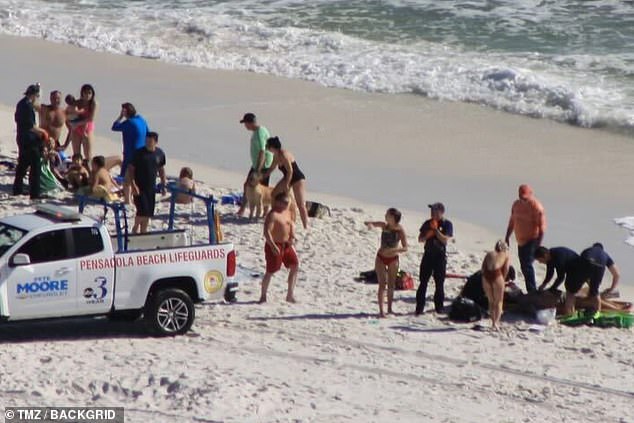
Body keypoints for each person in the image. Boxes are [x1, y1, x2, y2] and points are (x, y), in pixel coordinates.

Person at [365, 208, 408, 318]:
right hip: (381, 258)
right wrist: (370, 225)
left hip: (393, 258)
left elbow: (405, 247)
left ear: (393, 218)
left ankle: (389, 308)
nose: (385, 216)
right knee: (382, 284)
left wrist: (394, 250)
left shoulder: (400, 230)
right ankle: (381, 311)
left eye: (387, 215)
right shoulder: (384, 225)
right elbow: (369, 222)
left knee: (391, 284)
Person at [505, 184, 546, 293]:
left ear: (531, 195)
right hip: (520, 241)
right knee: (524, 266)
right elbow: (512, 221)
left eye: (525, 197)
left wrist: (538, 245)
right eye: (521, 197)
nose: (523, 199)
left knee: (527, 265)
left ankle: (532, 291)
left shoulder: (536, 207)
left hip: (532, 239)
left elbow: (542, 229)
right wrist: (507, 236)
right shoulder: (516, 205)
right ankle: (531, 289)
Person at [259, 192, 299, 304]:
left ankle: (290, 295)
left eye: (288, 202)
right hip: (275, 245)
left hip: (287, 245)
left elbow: (291, 225)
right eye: (284, 202)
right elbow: (267, 232)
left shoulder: (288, 212)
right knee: (270, 271)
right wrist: (272, 246)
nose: (286, 204)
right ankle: (263, 296)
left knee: (294, 265)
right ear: (277, 202)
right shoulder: (273, 214)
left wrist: (292, 236)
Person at [416, 203, 454, 314]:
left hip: (440, 256)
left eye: (435, 211)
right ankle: (419, 308)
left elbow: (445, 240)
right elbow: (420, 239)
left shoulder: (447, 224)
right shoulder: (427, 223)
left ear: (441, 212)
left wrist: (436, 230)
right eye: (431, 211)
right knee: (423, 282)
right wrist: (429, 232)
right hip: (428, 255)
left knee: (439, 283)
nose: (432, 213)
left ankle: (439, 307)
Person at [264, 136, 309, 229]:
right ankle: (276, 215)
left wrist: (287, 184)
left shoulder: (284, 154)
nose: (267, 148)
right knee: (274, 194)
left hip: (297, 178)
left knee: (300, 204)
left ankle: (306, 226)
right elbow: (271, 168)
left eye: (268, 146)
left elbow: (290, 171)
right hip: (287, 177)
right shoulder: (275, 156)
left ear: (272, 147)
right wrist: (263, 175)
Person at [13, 83, 48, 199]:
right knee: (35, 166)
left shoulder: (21, 104)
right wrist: (43, 132)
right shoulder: (27, 106)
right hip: (29, 139)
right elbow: (31, 126)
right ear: (33, 95)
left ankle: (17, 189)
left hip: (21, 137)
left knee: (23, 164)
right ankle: (35, 193)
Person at [563, 243, 620, 315]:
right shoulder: (605, 255)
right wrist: (611, 289)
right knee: (595, 293)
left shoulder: (587, 250)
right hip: (600, 267)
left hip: (586, 262)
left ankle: (569, 313)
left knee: (571, 292)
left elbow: (578, 265)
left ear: (593, 247)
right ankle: (597, 314)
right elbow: (617, 274)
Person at [128, 132, 166, 233]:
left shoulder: (159, 153)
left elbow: (161, 169)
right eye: (146, 141)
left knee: (148, 212)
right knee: (141, 211)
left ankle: (143, 231)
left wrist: (163, 184)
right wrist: (133, 184)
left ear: (156, 142)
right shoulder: (139, 153)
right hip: (139, 187)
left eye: (150, 141)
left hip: (151, 187)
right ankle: (135, 228)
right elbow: (131, 169)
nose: (148, 143)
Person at [236, 113, 273, 216]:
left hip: (262, 165)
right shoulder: (259, 130)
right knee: (258, 187)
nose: (245, 126)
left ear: (250, 123)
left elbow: (262, 152)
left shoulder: (259, 133)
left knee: (259, 188)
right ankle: (260, 211)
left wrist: (258, 169)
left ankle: (244, 209)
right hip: (258, 163)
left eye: (245, 123)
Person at [111, 102, 149, 177]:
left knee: (125, 173)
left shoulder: (129, 122)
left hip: (131, 151)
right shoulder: (141, 119)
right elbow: (148, 132)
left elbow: (114, 127)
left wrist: (120, 116)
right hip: (143, 150)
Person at [481, 240, 511, 330]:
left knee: (491, 300)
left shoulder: (489, 254)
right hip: (497, 274)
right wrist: (503, 280)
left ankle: (493, 321)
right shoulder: (505, 255)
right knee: (499, 301)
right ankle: (496, 323)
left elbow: (483, 268)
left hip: (486, 275)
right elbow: (506, 269)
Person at [70, 84, 98, 161]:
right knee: (76, 153)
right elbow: (69, 113)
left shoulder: (93, 104)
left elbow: (91, 119)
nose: (87, 95)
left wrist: (77, 123)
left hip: (87, 128)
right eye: (85, 93)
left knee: (88, 154)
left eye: (89, 93)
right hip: (77, 128)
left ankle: (89, 170)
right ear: (82, 93)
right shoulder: (78, 102)